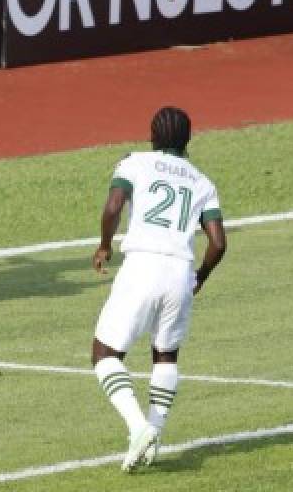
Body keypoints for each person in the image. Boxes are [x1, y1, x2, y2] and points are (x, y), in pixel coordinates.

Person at [90, 106, 227, 472]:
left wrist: (104, 245)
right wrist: (201, 276)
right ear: (189, 139)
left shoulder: (134, 162)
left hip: (142, 266)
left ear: (152, 135)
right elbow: (218, 243)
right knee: (165, 355)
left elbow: (113, 206)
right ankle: (155, 433)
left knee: (104, 352)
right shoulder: (203, 182)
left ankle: (139, 428)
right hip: (180, 272)